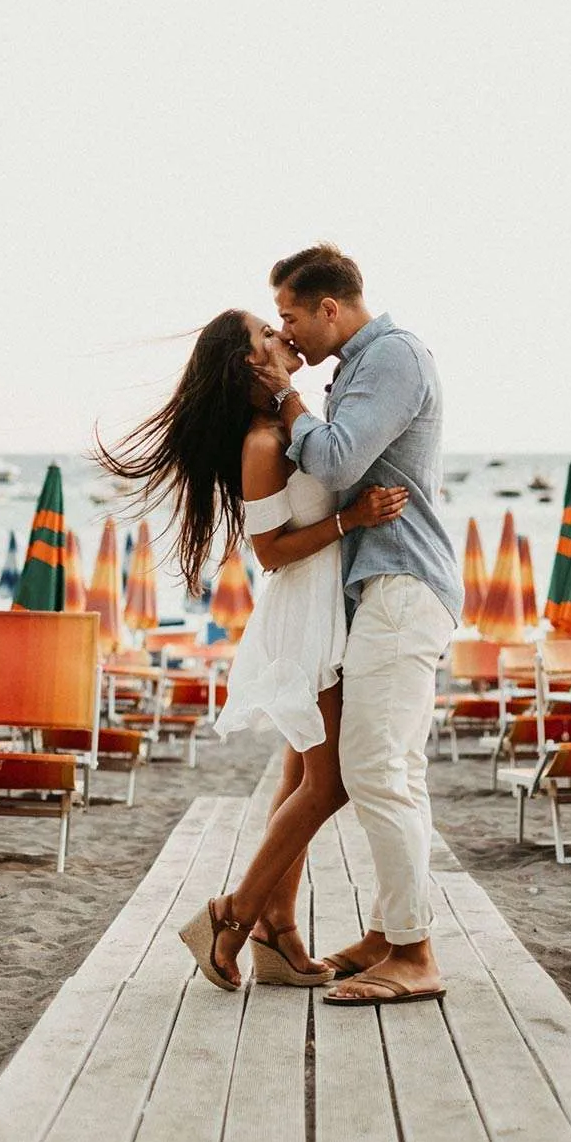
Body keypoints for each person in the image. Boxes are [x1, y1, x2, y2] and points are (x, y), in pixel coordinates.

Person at [98, 310, 409, 989]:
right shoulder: (263, 442)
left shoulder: (288, 426)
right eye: (269, 332)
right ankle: (232, 914)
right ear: (247, 363)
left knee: (301, 777)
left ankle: (278, 929)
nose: (284, 336)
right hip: (307, 617)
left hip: (327, 604)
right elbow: (270, 553)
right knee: (327, 785)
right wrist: (351, 518)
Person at [253, 243, 462, 1008]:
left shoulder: (395, 358)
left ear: (329, 308)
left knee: (372, 770)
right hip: (384, 586)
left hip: (403, 583)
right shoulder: (359, 368)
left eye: (291, 317)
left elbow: (338, 462)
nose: (289, 336)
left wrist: (285, 398)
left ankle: (415, 954)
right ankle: (389, 933)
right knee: (394, 770)